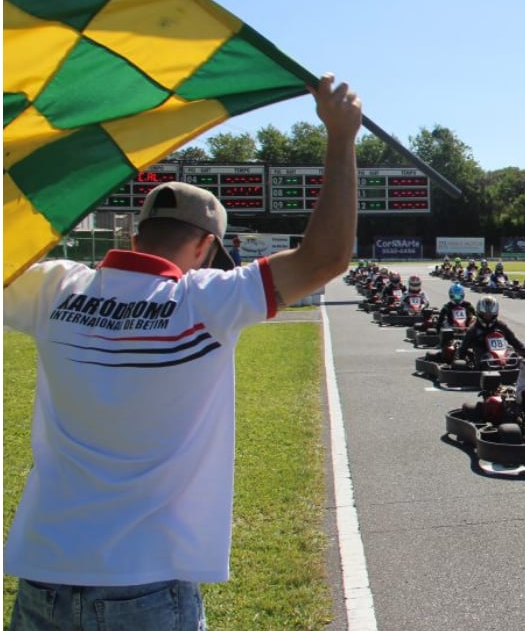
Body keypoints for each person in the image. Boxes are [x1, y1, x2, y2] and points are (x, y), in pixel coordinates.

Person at [2, 74, 362, 630]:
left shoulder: (54, 288)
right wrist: (342, 136)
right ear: (204, 246)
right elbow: (325, 259)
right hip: (146, 582)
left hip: (42, 574)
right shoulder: (204, 302)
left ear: (137, 233)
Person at [457, 295, 525, 363]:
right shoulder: (473, 329)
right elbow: (463, 348)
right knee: (487, 359)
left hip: (502, 353)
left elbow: (514, 342)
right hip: (481, 354)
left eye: (490, 314)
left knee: (514, 357)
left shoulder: (501, 325)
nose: (488, 317)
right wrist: (459, 360)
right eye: (485, 314)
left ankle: (509, 366)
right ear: (480, 313)